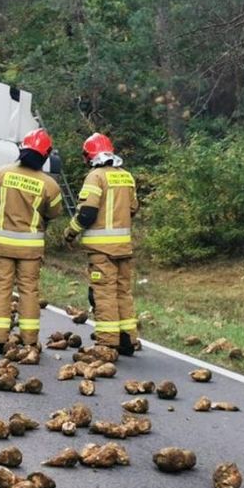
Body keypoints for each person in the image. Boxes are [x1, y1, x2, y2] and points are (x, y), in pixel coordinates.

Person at [0, 128, 63, 354]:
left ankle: (0, 339)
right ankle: (29, 340)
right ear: (45, 155)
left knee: (1, 289)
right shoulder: (50, 185)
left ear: (22, 149)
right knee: (29, 291)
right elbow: (54, 213)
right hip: (30, 250)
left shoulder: (0, 174)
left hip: (1, 245)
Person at [64, 132, 139, 356]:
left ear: (90, 156)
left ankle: (107, 343)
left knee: (104, 294)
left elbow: (86, 213)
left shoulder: (95, 177)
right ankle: (127, 339)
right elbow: (133, 208)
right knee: (122, 292)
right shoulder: (126, 176)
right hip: (123, 248)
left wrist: (70, 232)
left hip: (101, 250)